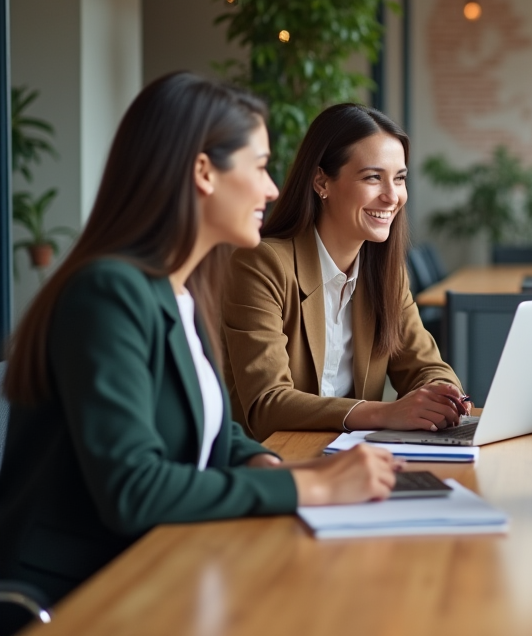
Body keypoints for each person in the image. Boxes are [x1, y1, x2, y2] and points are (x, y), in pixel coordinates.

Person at [0, 73, 400, 609]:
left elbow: (211, 426)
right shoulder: (107, 293)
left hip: (163, 564)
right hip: (80, 596)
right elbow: (134, 489)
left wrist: (267, 464)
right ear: (204, 171)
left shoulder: (179, 291)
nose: (273, 189)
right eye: (259, 166)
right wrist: (312, 487)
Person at [223, 103, 466, 441]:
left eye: (399, 178)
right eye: (373, 177)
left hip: (354, 457)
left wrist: (444, 397)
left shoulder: (386, 274)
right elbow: (266, 404)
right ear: (321, 181)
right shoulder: (262, 265)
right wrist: (384, 412)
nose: (392, 196)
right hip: (276, 458)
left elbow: (426, 366)